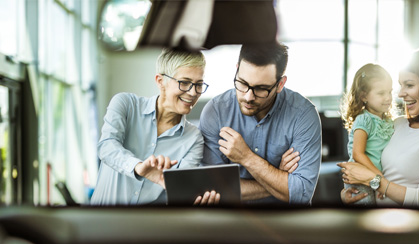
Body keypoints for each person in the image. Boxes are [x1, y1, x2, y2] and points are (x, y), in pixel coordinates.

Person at [338, 48, 419, 207]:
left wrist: (374, 180)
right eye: (400, 86)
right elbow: (365, 158)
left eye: (409, 85)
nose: (400, 94)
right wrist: (347, 195)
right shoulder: (397, 124)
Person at [91, 48, 219, 206]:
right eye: (184, 83)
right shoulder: (125, 104)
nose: (193, 93)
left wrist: (194, 201)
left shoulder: (194, 139)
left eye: (198, 85)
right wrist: (137, 167)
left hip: (148, 228)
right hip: (100, 224)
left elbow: (179, 194)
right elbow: (106, 147)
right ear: (160, 81)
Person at [199, 42, 322, 205]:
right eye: (242, 83)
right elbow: (214, 188)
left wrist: (247, 157)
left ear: (280, 84)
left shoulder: (303, 115)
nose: (248, 97)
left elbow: (301, 194)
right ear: (236, 69)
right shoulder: (215, 112)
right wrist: (278, 177)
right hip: (234, 221)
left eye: (261, 88)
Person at [340, 63, 394, 205]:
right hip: (360, 181)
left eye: (390, 92)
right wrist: (380, 177)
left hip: (375, 179)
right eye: (381, 93)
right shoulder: (364, 120)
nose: (388, 97)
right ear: (364, 96)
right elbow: (358, 154)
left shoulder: (389, 121)